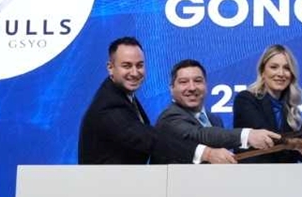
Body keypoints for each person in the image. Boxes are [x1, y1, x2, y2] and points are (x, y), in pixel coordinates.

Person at [77, 37, 206, 165]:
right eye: (126, 66)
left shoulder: (124, 96)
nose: (134, 73)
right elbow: (149, 140)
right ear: (110, 68)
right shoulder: (109, 105)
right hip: (107, 179)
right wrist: (204, 153)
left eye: (139, 65)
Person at [155, 59, 282, 164]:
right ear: (172, 89)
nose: (192, 87)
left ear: (206, 86)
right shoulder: (169, 118)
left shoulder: (215, 120)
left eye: (198, 81)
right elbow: (200, 135)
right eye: (183, 82)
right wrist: (247, 135)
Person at [232, 44, 302, 164]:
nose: (281, 73)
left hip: (285, 174)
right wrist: (300, 143)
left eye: (287, 68)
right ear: (262, 71)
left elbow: (296, 153)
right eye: (274, 67)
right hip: (253, 173)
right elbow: (269, 138)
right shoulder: (246, 99)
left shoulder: (289, 108)